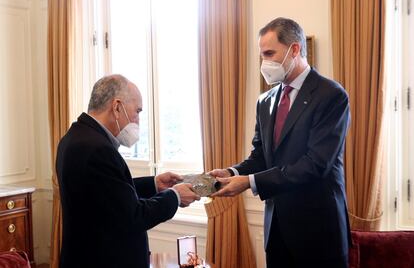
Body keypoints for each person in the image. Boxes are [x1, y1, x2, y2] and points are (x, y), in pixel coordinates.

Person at [210, 17, 351, 268]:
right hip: (276, 232)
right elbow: (261, 156)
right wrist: (232, 173)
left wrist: (249, 183)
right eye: (262, 55)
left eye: (270, 53)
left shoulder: (331, 95)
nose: (265, 62)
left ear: (294, 50)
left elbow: (315, 164)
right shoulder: (265, 101)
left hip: (318, 234)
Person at [56, 74, 200, 268]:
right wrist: (175, 196)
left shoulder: (76, 137)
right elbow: (133, 217)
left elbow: (109, 193)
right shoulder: (97, 148)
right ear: (117, 107)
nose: (138, 121)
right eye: (137, 111)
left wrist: (154, 184)